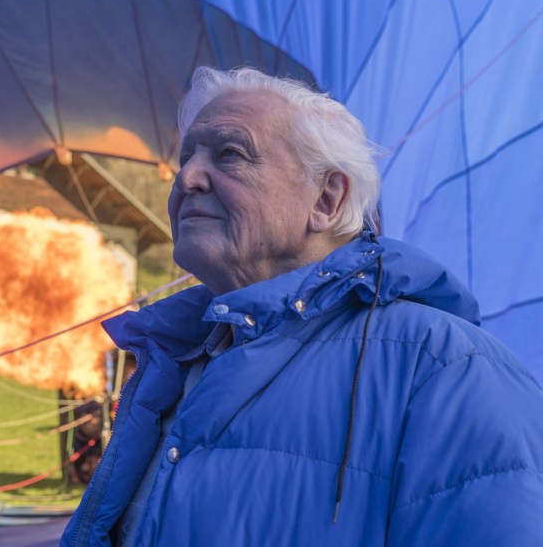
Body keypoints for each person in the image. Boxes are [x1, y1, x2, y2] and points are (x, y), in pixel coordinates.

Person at [61, 67, 543, 547]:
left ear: (327, 199)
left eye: (230, 155)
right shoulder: (174, 359)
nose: (187, 177)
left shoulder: (447, 369)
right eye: (186, 156)